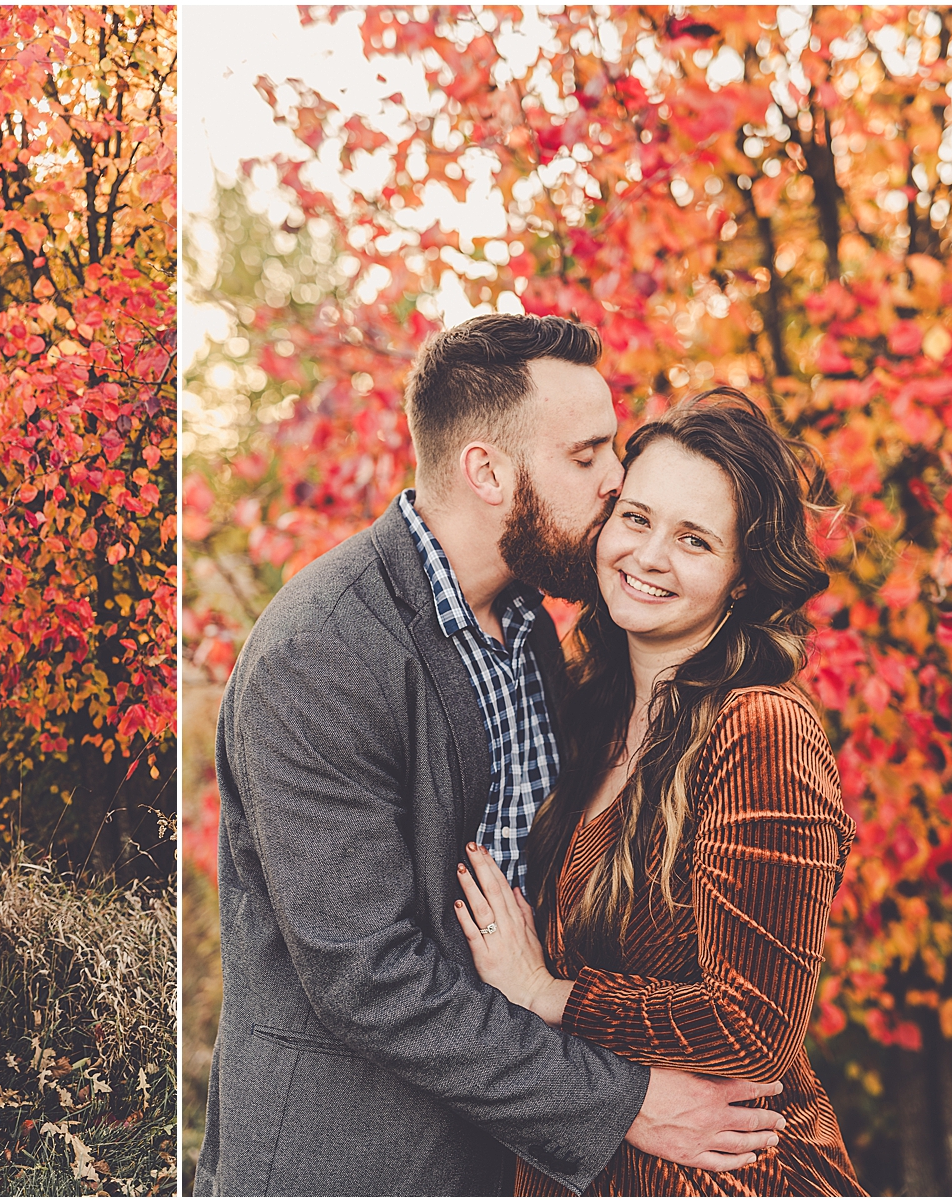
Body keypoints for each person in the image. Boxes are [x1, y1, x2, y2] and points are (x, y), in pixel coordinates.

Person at [194, 315, 788, 1196]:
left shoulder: (528, 629)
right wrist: (622, 1102)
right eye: (587, 456)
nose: (617, 479)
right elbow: (370, 975)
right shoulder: (320, 654)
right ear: (487, 470)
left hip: (507, 1155)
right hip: (355, 1161)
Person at [454, 389, 864, 1196]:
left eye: (695, 540)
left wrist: (548, 993)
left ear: (742, 578)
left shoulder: (760, 729)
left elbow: (754, 1030)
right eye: (636, 519)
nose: (648, 556)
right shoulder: (579, 712)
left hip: (732, 1175)